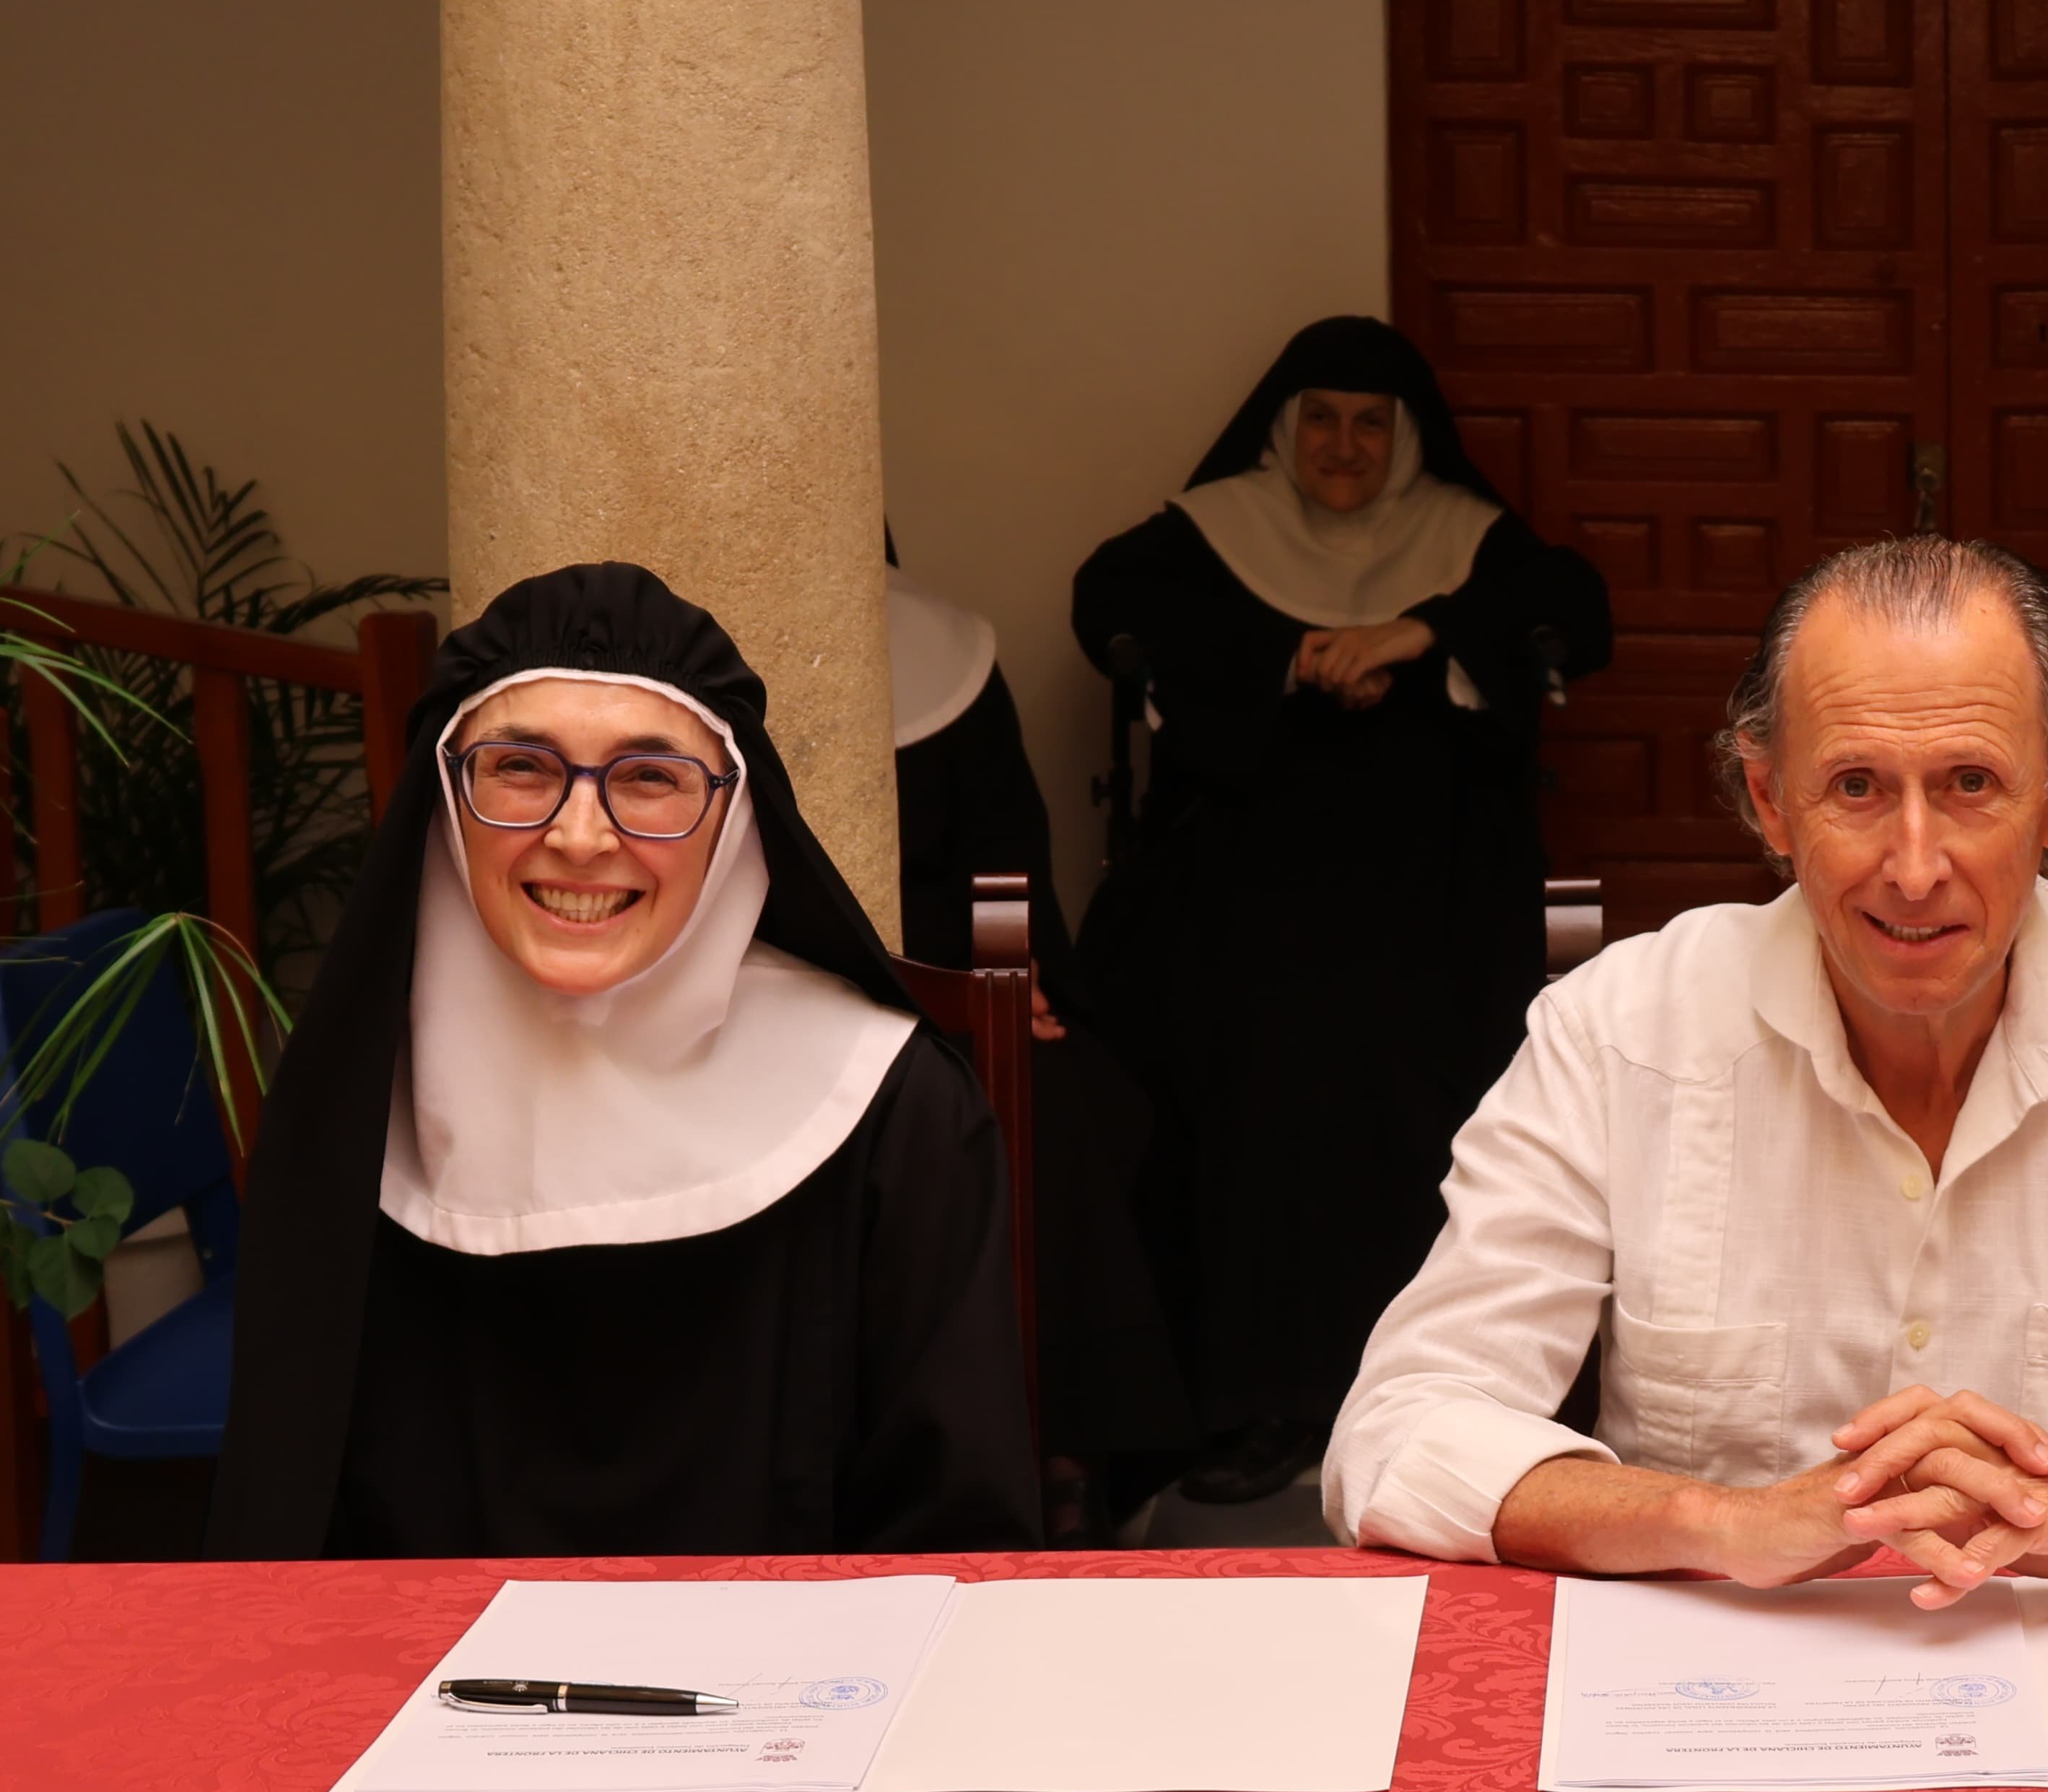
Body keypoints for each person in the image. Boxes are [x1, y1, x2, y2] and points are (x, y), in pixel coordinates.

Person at [1325, 536, 2048, 1602]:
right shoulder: (1618, 1032)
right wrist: (1724, 1522)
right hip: (1721, 1711)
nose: (1914, 864)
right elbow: (1399, 1434)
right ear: (1767, 797)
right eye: (1855, 787)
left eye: (1970, 784)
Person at [212, 562, 1041, 1559]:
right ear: (448, 796)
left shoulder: (895, 1113)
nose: (578, 834)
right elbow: (301, 1524)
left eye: (651, 777)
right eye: (520, 766)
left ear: (735, 821)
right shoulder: (355, 1113)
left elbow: (955, 1540)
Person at [1072, 316, 1611, 1507]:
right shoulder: (1212, 533)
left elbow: (1576, 605)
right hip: (1244, 906)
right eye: (1321, 419)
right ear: (1282, 428)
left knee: (1424, 1121)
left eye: (1373, 423)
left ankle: (1432, 1399)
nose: (1345, 445)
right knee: (1243, 1116)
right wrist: (1294, 657)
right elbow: (1106, 598)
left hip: (1434, 909)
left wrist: (1416, 631)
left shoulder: (1466, 542)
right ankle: (1253, 1409)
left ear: (1410, 440)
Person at [886, 547, 1195, 1531]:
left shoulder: (948, 657)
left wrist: (1009, 982)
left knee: (1064, 1094)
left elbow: (1003, 849)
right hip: (766, 980)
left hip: (950, 978)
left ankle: (1071, 1449)